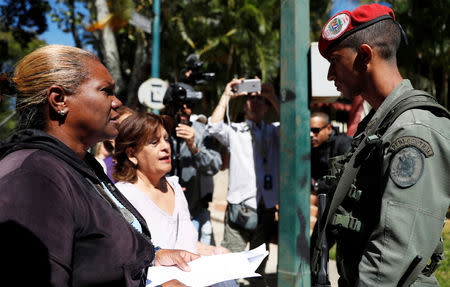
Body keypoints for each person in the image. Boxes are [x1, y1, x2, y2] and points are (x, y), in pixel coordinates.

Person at [0, 45, 198, 287]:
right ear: (59, 100)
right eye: (106, 91)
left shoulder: (82, 166)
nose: (117, 102)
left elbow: (98, 252)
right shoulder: (33, 178)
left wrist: (154, 256)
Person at [311, 4, 450, 287]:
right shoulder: (380, 122)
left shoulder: (413, 130)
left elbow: (392, 253)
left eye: (334, 61)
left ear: (363, 56)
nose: (329, 75)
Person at [113, 111, 236, 287]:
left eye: (165, 138)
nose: (166, 146)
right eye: (154, 142)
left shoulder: (175, 186)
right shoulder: (123, 197)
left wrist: (213, 251)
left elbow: (185, 243)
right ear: (132, 154)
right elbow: (125, 259)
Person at [207, 79, 280, 287]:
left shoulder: (274, 131)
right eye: (250, 98)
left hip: (265, 209)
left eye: (260, 99)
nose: (255, 102)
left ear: (266, 107)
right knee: (228, 264)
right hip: (240, 208)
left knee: (258, 271)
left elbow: (295, 126)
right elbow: (213, 127)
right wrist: (226, 95)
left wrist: (272, 96)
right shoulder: (235, 130)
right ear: (245, 104)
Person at [163, 90, 222, 245]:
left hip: (194, 212)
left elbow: (215, 165)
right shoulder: (159, 128)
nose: (185, 109)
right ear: (169, 105)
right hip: (164, 212)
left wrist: (194, 148)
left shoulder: (201, 131)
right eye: (180, 104)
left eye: (189, 105)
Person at [310, 111, 352, 182]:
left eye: (315, 130)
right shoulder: (311, 147)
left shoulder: (343, 144)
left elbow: (346, 179)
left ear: (329, 128)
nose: (310, 134)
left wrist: (317, 186)